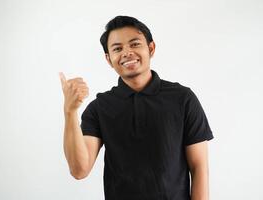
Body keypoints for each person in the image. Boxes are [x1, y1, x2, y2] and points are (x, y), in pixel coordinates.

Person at [59, 15, 214, 200]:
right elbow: (79, 170)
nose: (127, 53)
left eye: (134, 44)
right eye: (117, 48)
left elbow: (199, 168)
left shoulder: (182, 98)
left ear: (151, 48)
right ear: (109, 59)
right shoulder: (99, 108)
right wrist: (70, 112)